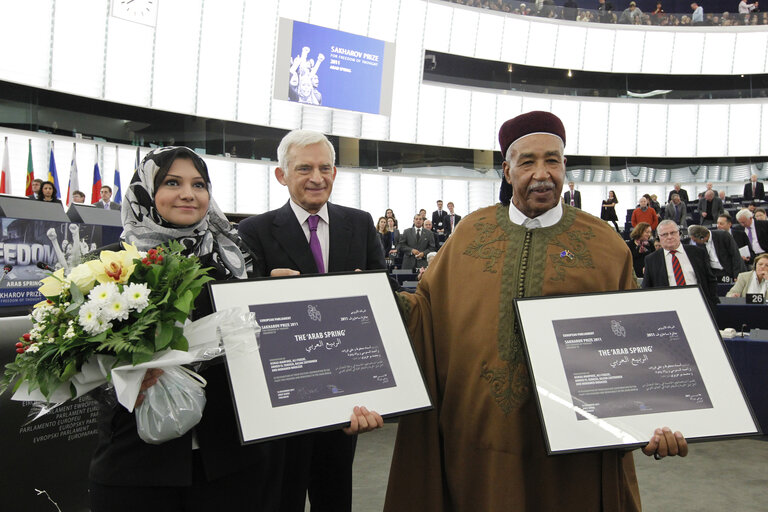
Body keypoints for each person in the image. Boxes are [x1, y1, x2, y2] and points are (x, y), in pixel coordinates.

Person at [384, 111, 687, 512]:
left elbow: (633, 348)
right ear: (507, 171)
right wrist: (374, 303)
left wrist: (656, 419)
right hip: (476, 442)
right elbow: (425, 313)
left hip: (570, 454)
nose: (542, 173)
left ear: (565, 167)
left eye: (553, 160)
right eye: (527, 161)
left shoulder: (605, 247)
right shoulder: (469, 235)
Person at [89, 146, 287, 512]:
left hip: (232, 458)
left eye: (199, 184)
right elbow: (84, 362)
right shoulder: (108, 263)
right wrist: (121, 379)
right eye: (172, 182)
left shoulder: (236, 260)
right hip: (136, 460)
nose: (188, 194)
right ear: (145, 191)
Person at [236, 129, 384, 512]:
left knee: (335, 496)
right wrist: (262, 290)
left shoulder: (362, 224)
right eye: (304, 168)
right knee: (281, 498)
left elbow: (384, 308)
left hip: (345, 395)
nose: (317, 177)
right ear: (281, 175)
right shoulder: (252, 232)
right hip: (285, 396)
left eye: (325, 167)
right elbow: (238, 318)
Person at [642, 220, 718, 309]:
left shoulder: (698, 252)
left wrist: (712, 302)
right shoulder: (651, 260)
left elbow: (711, 280)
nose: (669, 237)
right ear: (658, 237)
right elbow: (647, 288)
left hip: (699, 305)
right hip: (669, 308)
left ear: (679, 233)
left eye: (673, 233)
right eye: (665, 234)